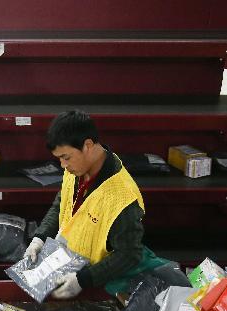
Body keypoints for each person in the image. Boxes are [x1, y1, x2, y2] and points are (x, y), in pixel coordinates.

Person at [25, 110, 147, 299]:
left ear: (88, 145)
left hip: (99, 285)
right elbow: (61, 204)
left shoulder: (122, 196)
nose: (63, 165)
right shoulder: (76, 169)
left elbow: (129, 254)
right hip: (66, 269)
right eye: (59, 158)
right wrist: (40, 237)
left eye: (66, 157)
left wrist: (83, 280)